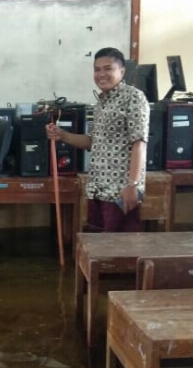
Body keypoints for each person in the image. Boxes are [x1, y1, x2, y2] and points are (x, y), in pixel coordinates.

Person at [46, 47, 149, 232]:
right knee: (98, 247)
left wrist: (132, 185)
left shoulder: (134, 98)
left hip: (119, 191)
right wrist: (63, 135)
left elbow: (139, 143)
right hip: (98, 188)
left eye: (108, 68)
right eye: (97, 69)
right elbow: (94, 142)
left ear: (122, 71)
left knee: (120, 249)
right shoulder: (102, 102)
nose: (101, 74)